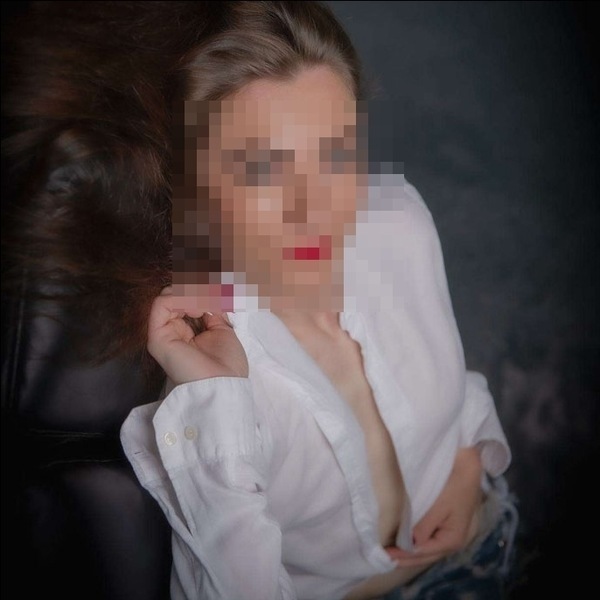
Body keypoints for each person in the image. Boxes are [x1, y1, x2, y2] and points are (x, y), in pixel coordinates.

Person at [2, 2, 518, 599]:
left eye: (336, 155)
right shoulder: (204, 366)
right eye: (264, 169)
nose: (315, 208)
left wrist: (466, 461)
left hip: (486, 534)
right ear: (188, 184)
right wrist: (215, 395)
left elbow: (446, 372)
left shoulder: (396, 222)